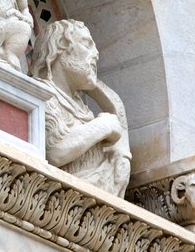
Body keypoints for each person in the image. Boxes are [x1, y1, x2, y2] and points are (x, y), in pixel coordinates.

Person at [30, 20, 131, 197]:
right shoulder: (43, 94)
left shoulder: (82, 108)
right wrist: (103, 125)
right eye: (87, 44)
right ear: (61, 46)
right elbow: (54, 152)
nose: (96, 53)